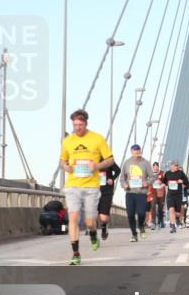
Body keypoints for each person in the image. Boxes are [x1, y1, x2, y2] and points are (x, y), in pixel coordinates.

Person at [58, 109, 114, 265]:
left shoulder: (97, 139)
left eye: (80, 125)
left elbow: (110, 160)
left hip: (91, 187)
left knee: (90, 222)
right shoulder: (67, 141)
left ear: (86, 123)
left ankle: (93, 233)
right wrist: (66, 167)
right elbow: (62, 161)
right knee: (73, 218)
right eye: (75, 125)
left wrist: (97, 165)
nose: (77, 128)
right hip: (73, 185)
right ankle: (76, 254)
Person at [120, 144, 152, 242]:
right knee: (130, 215)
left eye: (138, 151)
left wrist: (147, 182)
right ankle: (134, 234)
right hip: (130, 192)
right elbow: (122, 178)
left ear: (140, 151)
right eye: (135, 151)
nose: (136, 152)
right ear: (131, 152)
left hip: (142, 193)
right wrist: (124, 185)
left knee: (141, 213)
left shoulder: (145, 163)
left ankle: (141, 226)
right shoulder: (127, 163)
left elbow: (152, 177)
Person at [96, 159, 120, 241]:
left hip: (106, 190)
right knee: (93, 212)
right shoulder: (90, 158)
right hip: (93, 190)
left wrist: (112, 179)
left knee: (103, 217)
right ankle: (92, 232)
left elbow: (118, 170)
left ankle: (104, 227)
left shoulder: (107, 160)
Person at [163, 160, 189, 234]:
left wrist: (182, 182)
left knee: (177, 212)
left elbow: (187, 183)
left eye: (177, 165)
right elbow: (164, 182)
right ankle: (172, 226)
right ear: (171, 166)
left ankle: (177, 218)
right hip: (170, 194)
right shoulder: (167, 173)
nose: (177, 167)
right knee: (171, 209)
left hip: (178, 195)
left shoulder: (181, 173)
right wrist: (165, 183)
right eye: (175, 165)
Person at [149, 162, 166, 229]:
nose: (156, 168)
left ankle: (160, 221)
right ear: (153, 167)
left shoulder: (162, 173)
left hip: (161, 193)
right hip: (153, 192)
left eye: (157, 166)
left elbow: (166, 182)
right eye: (154, 167)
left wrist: (162, 183)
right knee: (152, 206)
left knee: (160, 208)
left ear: (158, 167)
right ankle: (153, 222)